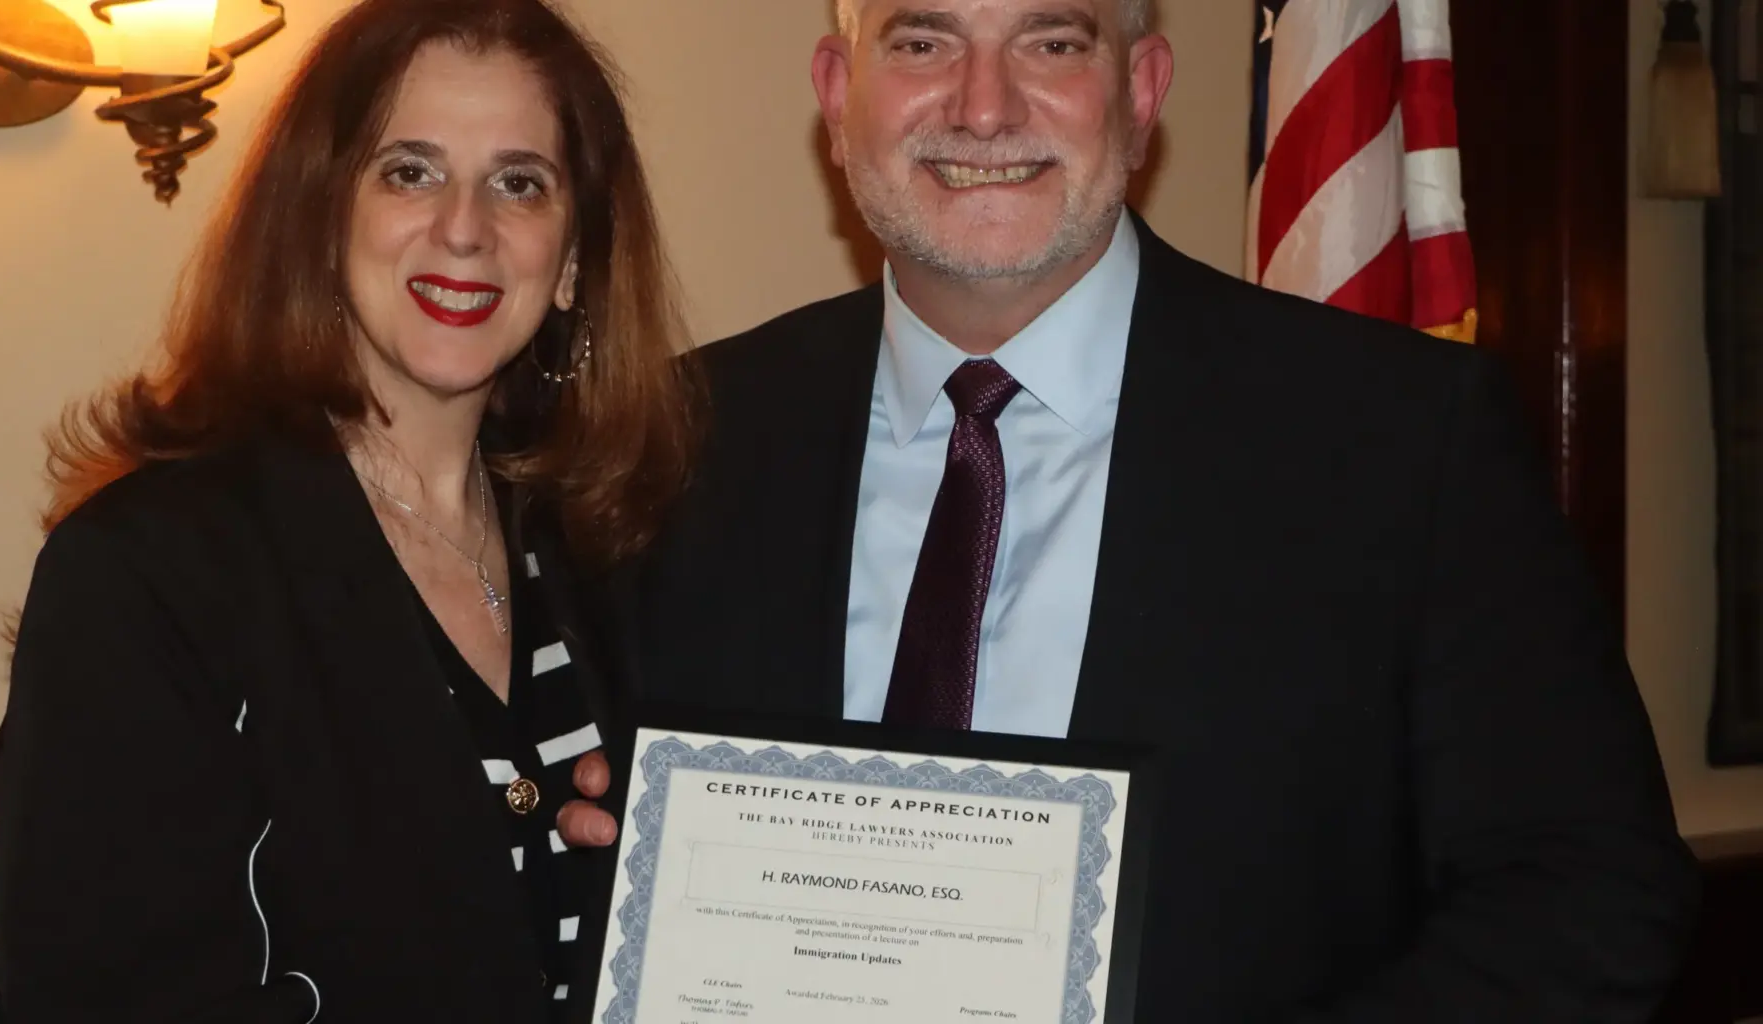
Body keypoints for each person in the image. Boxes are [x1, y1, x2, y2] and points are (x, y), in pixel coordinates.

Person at [615, 0, 1699, 1020]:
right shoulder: (681, 439)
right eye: (922, 43)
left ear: (1141, 89)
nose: (983, 108)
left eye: (1052, 43)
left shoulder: (1399, 437)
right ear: (836, 90)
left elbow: (1590, 888)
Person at [0, 0, 699, 1020]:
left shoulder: (612, 557)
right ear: (322, 215)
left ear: (575, 257)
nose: (464, 227)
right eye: (409, 170)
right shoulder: (148, 576)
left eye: (520, 183)